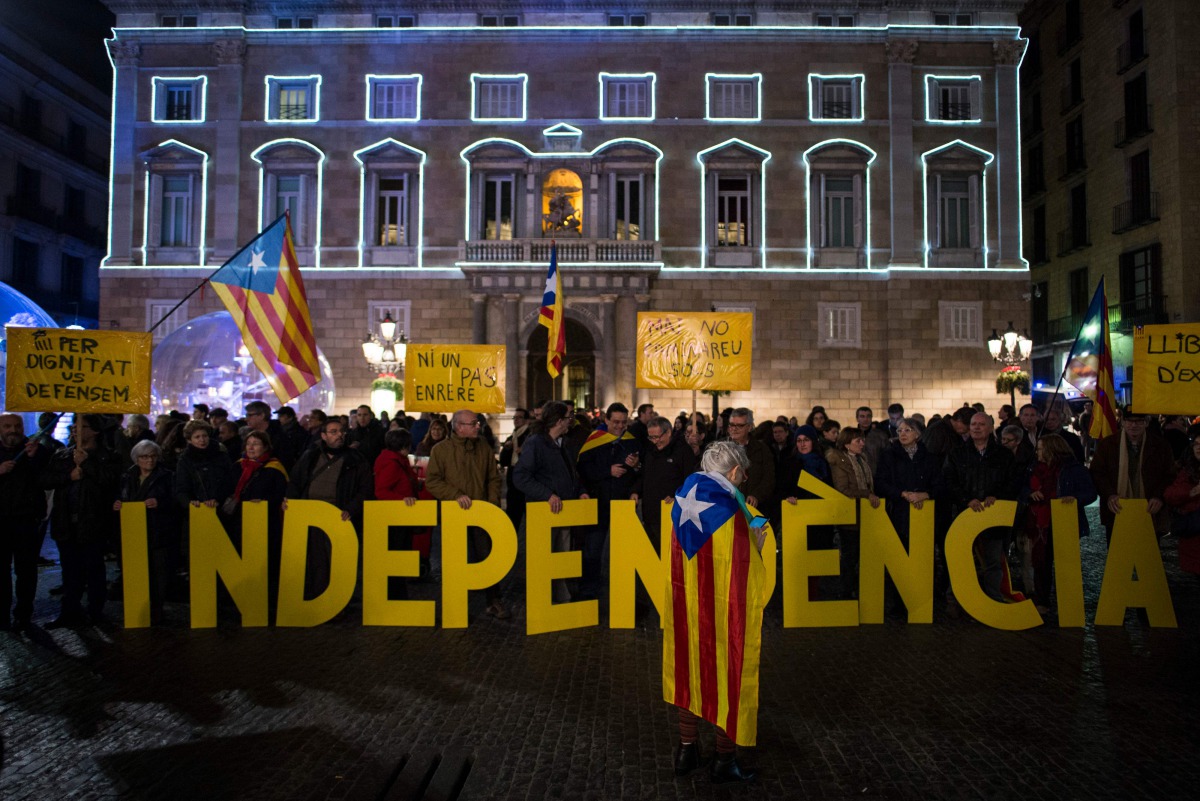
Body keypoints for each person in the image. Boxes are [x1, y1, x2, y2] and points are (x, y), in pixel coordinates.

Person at [664, 441, 769, 784]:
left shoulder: (685, 494)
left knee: (688, 667)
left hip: (687, 602)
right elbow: (745, 560)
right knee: (728, 670)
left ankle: (686, 749)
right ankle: (725, 759)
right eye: (744, 473)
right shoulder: (731, 507)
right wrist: (759, 544)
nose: (745, 479)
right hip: (723, 608)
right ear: (735, 471)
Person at [42, 414, 123, 628]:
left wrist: (86, 464)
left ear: (95, 431)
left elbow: (110, 481)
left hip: (93, 523)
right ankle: (69, 612)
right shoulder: (62, 455)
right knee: (70, 572)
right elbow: (47, 480)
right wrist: (69, 476)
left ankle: (96, 613)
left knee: (94, 571)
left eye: (81, 426)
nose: (75, 430)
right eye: (73, 427)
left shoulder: (108, 457)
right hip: (66, 523)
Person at [426, 409, 507, 617]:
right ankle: (455, 603)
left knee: (487, 556)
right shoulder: (440, 450)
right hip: (454, 515)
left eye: (477, 423)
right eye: (474, 423)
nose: (478, 425)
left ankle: (493, 600)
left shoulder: (484, 448)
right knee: (455, 559)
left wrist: (491, 505)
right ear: (459, 427)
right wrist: (455, 495)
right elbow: (433, 481)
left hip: (482, 514)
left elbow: (493, 478)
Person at [286, 418, 373, 599]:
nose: (339, 435)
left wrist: (351, 509)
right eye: (333, 432)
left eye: (341, 431)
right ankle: (315, 596)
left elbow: (365, 489)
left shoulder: (356, 459)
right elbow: (296, 480)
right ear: (324, 436)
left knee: (337, 559)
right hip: (310, 514)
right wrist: (290, 500)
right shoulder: (310, 456)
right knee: (315, 558)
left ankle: (336, 599)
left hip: (338, 514)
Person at [513, 401, 589, 603]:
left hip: (564, 512)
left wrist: (580, 491)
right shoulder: (536, 443)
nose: (571, 421)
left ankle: (562, 599)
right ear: (558, 421)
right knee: (545, 558)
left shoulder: (563, 442)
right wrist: (547, 495)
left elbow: (571, 473)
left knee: (562, 556)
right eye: (568, 417)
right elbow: (520, 476)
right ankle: (544, 600)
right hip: (546, 513)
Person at [941, 413, 1021, 604]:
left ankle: (993, 599)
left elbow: (1013, 482)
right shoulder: (956, 453)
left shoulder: (1004, 455)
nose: (976, 427)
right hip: (963, 515)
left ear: (991, 427)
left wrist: (997, 497)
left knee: (993, 560)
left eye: (981, 424)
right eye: (973, 424)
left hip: (993, 517)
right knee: (961, 559)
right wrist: (966, 500)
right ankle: (956, 599)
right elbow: (948, 481)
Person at [1020, 434, 1096, 613]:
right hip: (1039, 525)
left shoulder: (1073, 469)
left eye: (1040, 449)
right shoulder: (1033, 468)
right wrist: (1030, 493)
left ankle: (1068, 602)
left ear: (1050, 450)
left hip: (1064, 522)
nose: (1037, 452)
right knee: (1041, 564)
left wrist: (1075, 498)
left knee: (1066, 563)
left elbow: (1090, 493)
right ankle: (1042, 601)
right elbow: (1021, 488)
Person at [874, 417, 942, 618]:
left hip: (923, 516)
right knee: (899, 557)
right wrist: (902, 494)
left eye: (907, 430)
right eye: (900, 430)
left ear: (918, 434)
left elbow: (939, 485)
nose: (902, 433)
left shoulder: (929, 458)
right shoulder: (888, 456)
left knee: (923, 557)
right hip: (898, 513)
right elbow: (880, 483)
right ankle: (899, 603)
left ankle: (921, 600)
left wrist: (925, 494)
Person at [576, 403, 642, 600]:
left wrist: (637, 466)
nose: (620, 426)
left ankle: (623, 593)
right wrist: (608, 471)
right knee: (593, 550)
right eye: (615, 422)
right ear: (606, 420)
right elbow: (582, 470)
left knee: (624, 551)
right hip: (599, 502)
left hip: (623, 503)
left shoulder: (632, 441)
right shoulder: (594, 440)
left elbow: (641, 472)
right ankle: (589, 590)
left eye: (624, 422)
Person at [113, 440, 178, 624]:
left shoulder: (167, 476)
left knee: (159, 573)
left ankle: (157, 610)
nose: (149, 460)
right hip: (133, 532)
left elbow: (174, 501)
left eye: (153, 456)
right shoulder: (127, 476)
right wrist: (117, 503)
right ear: (137, 458)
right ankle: (139, 608)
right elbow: (120, 495)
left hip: (158, 531)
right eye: (144, 457)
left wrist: (160, 503)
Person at [1089, 407, 1176, 543]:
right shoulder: (1107, 445)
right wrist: (1109, 494)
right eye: (1129, 421)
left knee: (1148, 557)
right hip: (1117, 510)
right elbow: (1097, 473)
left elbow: (1169, 475)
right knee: (1118, 557)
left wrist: (1159, 497)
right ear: (1122, 422)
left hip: (1149, 511)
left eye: (1139, 421)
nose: (1134, 425)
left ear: (1146, 422)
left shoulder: (1160, 445)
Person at [227, 431, 289, 614]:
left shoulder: (274, 468)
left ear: (265, 447)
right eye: (249, 444)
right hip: (240, 521)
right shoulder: (238, 466)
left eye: (256, 444)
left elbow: (279, 495)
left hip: (266, 523)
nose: (252, 448)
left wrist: (263, 503)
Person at [0, 414, 51, 631]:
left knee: (26, 571)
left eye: (17, 426)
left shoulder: (37, 450)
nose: (13, 430)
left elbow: (48, 477)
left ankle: (23, 613)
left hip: (26, 519)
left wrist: (35, 458)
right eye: (8, 426)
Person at [374, 428, 434, 598]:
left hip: (400, 517)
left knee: (400, 555)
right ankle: (396, 595)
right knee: (397, 555)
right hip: (396, 518)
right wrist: (401, 499)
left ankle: (398, 593)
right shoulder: (393, 463)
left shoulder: (397, 460)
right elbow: (381, 491)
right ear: (404, 445)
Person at [825, 427, 880, 601]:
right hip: (850, 516)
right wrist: (867, 494)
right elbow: (843, 489)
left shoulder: (861, 459)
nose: (862, 444)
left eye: (862, 440)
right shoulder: (840, 461)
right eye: (858, 441)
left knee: (863, 556)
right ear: (847, 444)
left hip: (865, 514)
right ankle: (846, 592)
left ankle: (860, 590)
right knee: (850, 556)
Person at [782, 424, 834, 599]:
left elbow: (829, 488)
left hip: (819, 517)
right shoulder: (791, 463)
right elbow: (785, 488)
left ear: (813, 442)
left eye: (806, 440)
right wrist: (789, 497)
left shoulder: (822, 463)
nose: (802, 444)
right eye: (799, 440)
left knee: (817, 557)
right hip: (799, 516)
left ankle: (815, 593)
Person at [633, 416, 696, 545]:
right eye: (651, 437)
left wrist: (677, 496)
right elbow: (645, 475)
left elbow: (691, 480)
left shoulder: (683, 451)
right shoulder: (650, 451)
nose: (655, 441)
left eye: (657, 437)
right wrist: (635, 491)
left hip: (673, 513)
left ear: (668, 432)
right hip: (650, 513)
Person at [1164, 435, 1200, 574]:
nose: (1199, 447)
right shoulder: (1187, 472)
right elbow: (1170, 495)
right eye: (1196, 444)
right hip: (1194, 540)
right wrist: (1192, 492)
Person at [726, 408, 774, 511]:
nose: (734, 429)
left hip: (754, 507)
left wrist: (757, 495)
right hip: (727, 505)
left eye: (739, 425)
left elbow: (769, 478)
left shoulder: (762, 449)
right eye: (731, 425)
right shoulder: (721, 448)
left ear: (749, 427)